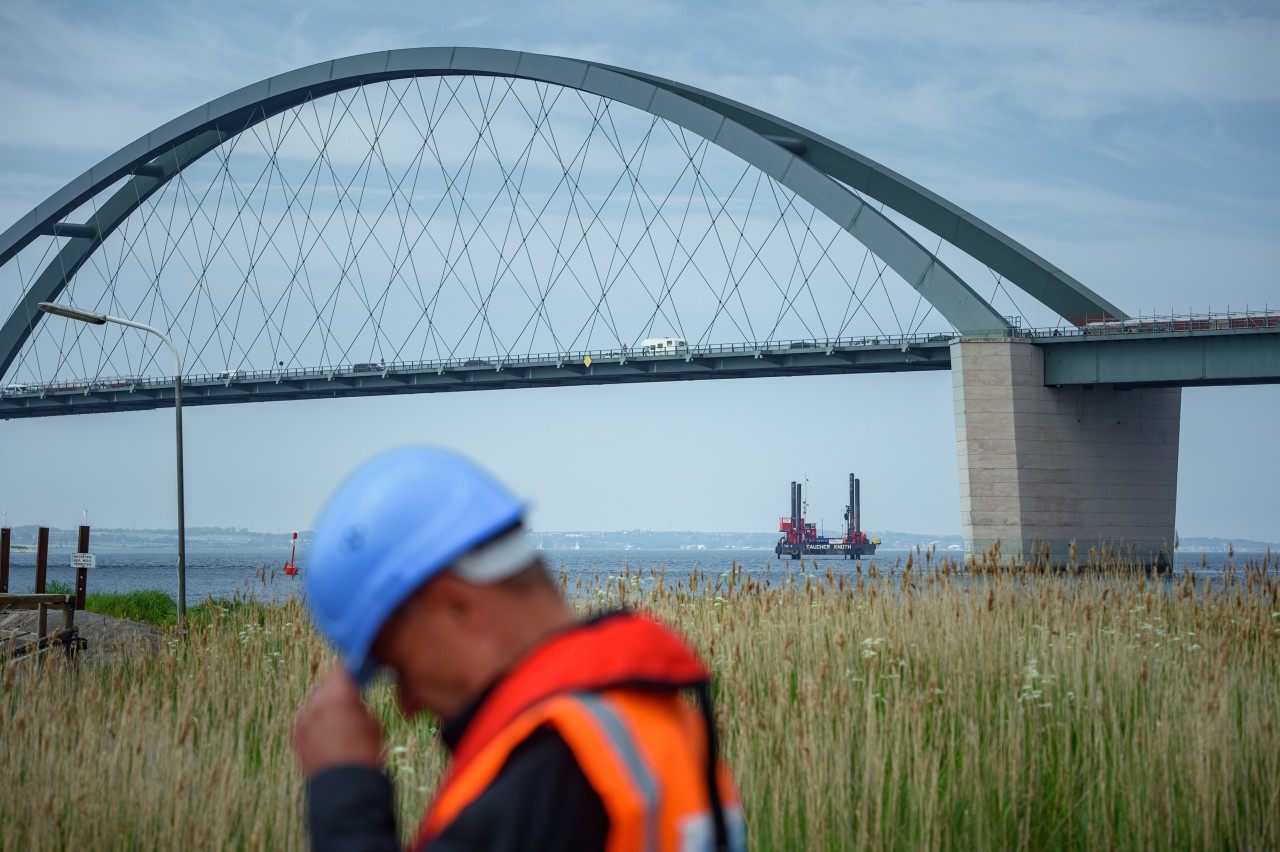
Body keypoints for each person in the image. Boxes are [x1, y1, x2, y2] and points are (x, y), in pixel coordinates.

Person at [293, 446, 745, 851]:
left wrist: (345, 788)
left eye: (398, 668)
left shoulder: (549, 775)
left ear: (457, 609)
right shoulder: (656, 720)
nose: (407, 706)